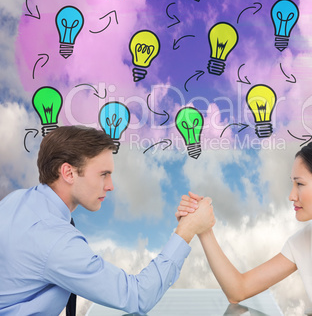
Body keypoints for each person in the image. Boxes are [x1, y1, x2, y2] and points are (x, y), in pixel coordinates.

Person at [0, 125, 215, 316]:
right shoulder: (55, 240)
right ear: (68, 173)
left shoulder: (15, 201)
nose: (110, 185)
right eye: (103, 174)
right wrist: (186, 230)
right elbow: (137, 296)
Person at [177, 140, 312, 315]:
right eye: (292, 184)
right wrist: (203, 229)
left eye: (300, 184)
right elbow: (238, 290)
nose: (291, 195)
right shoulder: (302, 243)